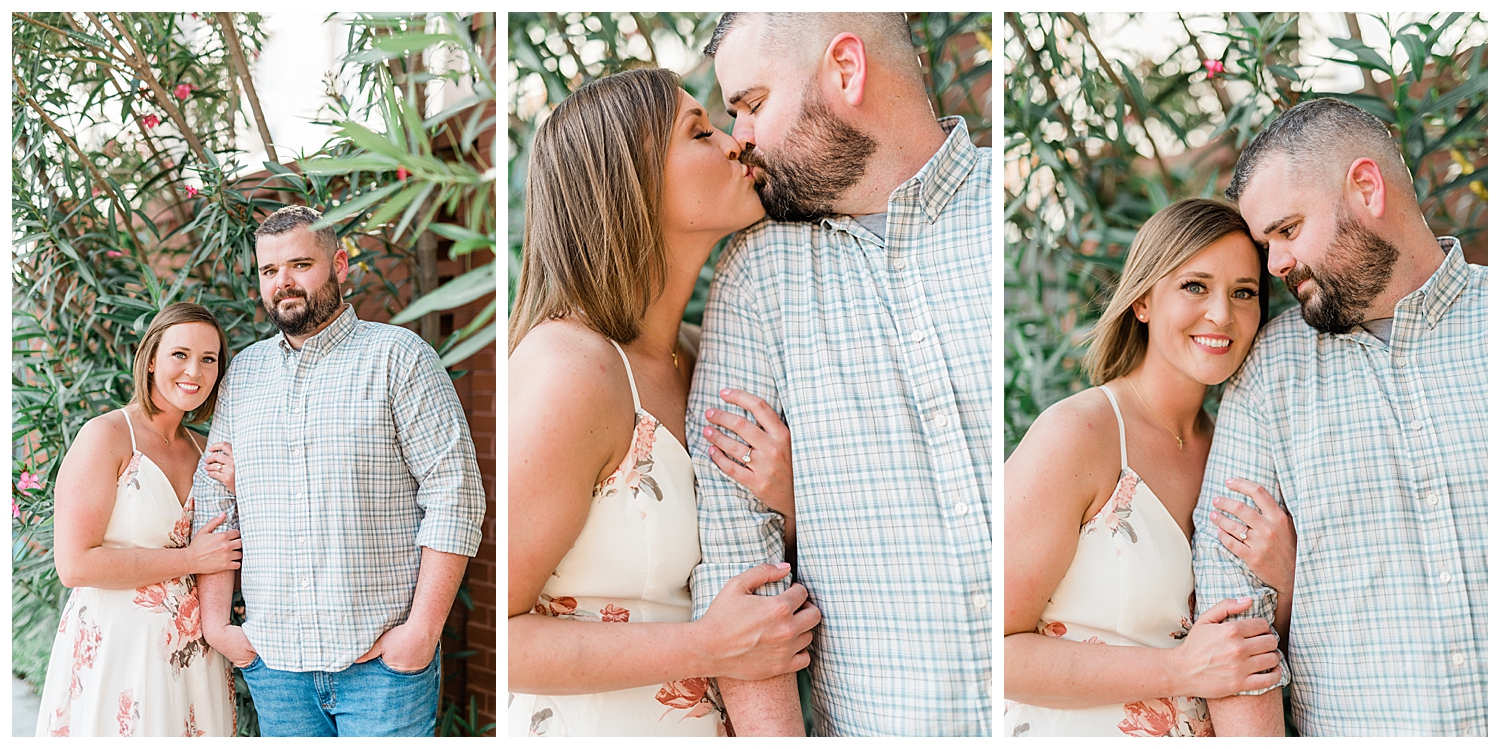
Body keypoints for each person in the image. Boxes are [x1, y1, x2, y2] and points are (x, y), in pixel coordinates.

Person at [687, 12, 989, 736]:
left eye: (753, 104)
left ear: (846, 71)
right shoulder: (758, 278)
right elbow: (737, 561)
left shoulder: (1007, 214)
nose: (743, 140)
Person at [507, 67, 820, 737]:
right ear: (631, 183)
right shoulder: (571, 371)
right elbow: (503, 636)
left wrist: (791, 498)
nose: (737, 143)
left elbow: (756, 564)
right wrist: (703, 646)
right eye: (700, 132)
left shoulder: (711, 352)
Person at [1195, 97, 1487, 737]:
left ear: (1365, 187)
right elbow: (1233, 619)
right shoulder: (1269, 375)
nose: (1274, 266)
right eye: (1265, 243)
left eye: (1288, 229)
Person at [1005, 198, 1300, 736]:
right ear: (1142, 300)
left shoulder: (1240, 449)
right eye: (1195, 286)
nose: (1221, 314)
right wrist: (1178, 668)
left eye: (1244, 292)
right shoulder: (1079, 436)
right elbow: (989, 647)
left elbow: (1244, 650)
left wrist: (1287, 580)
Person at [191, 205, 486, 737]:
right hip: (276, 666)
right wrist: (218, 626)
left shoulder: (399, 357)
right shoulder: (244, 375)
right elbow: (215, 501)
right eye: (268, 271)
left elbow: (456, 495)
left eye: (300, 264)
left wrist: (420, 632)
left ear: (341, 265)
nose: (283, 283)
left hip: (382, 668)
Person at [36, 303, 242, 737]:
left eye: (209, 359)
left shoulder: (208, 452)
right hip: (119, 652)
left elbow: (231, 553)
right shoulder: (105, 436)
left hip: (194, 659)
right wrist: (191, 560)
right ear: (151, 360)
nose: (195, 370)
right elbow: (75, 565)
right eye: (180, 354)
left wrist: (246, 490)